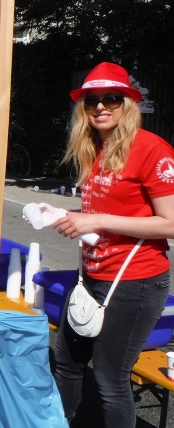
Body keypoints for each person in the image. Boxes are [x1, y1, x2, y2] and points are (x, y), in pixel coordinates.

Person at [50, 62, 174, 428]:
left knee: (110, 379)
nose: (101, 106)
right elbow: (106, 212)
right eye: (92, 100)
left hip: (135, 282)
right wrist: (68, 215)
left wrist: (97, 220)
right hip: (92, 275)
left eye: (111, 99)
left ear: (128, 103)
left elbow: (170, 223)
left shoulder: (152, 149)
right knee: (67, 362)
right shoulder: (96, 147)